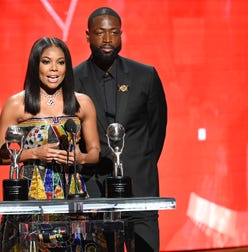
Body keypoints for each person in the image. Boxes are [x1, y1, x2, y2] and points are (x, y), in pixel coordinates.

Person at [0, 37, 100, 251]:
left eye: (61, 63)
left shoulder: (82, 103)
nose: (54, 69)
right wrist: (35, 153)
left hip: (72, 193)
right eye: (46, 62)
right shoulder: (17, 104)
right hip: (30, 194)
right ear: (35, 65)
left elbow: (95, 151)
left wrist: (81, 158)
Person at [73, 7, 167, 252]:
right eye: (100, 33)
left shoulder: (145, 75)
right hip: (94, 190)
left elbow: (157, 129)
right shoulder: (73, 80)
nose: (107, 40)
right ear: (88, 36)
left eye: (114, 33)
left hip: (140, 189)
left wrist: (138, 162)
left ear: (121, 34)